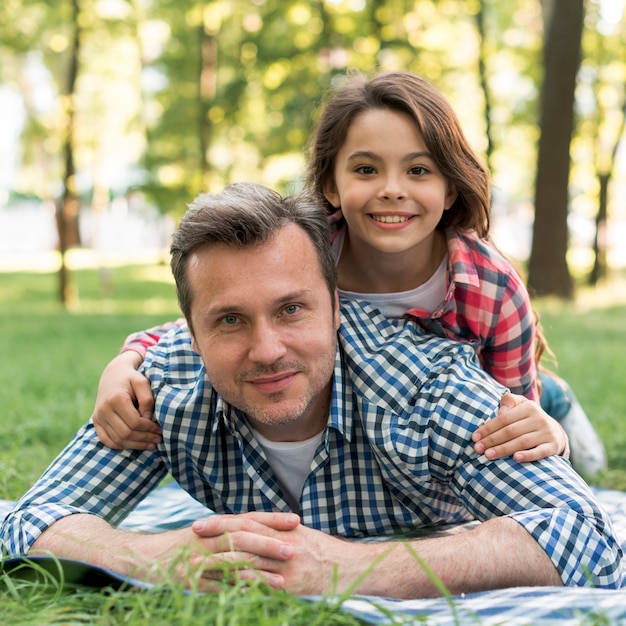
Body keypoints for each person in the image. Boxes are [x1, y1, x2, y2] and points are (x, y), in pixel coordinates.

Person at [1, 183, 621, 596]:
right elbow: (27, 521)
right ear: (190, 332)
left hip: (510, 415)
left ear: (336, 308)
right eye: (230, 320)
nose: (267, 350)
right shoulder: (164, 385)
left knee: (555, 433)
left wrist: (354, 568)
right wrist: (153, 557)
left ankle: (560, 404)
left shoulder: (427, 386)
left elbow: (594, 540)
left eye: (292, 309)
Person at [91, 70, 605, 477]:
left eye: (418, 170)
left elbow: (511, 413)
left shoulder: (491, 288)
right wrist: (127, 361)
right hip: (364, 409)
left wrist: (544, 431)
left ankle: (562, 400)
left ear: (450, 190)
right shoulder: (312, 254)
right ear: (331, 186)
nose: (391, 189)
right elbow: (221, 315)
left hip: (466, 389)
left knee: (561, 439)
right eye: (366, 170)